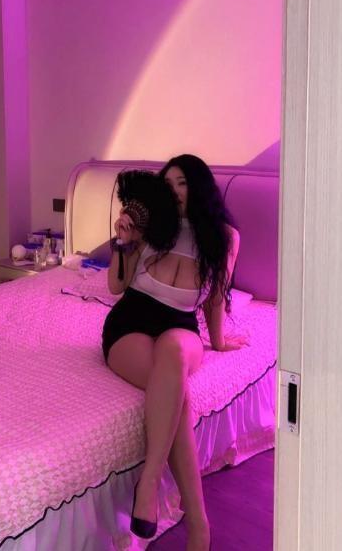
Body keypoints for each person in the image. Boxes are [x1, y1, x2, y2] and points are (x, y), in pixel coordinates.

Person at [101, 155, 247, 551]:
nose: (175, 191)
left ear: (198, 187)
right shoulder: (152, 226)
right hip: (131, 321)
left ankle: (148, 484)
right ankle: (197, 523)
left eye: (182, 183)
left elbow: (214, 299)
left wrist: (218, 341)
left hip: (181, 326)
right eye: (168, 184)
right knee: (174, 395)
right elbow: (116, 286)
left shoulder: (224, 237)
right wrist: (124, 242)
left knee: (174, 357)